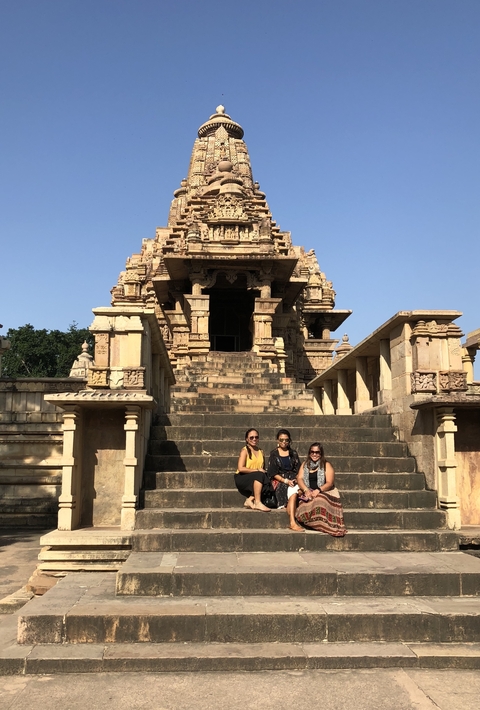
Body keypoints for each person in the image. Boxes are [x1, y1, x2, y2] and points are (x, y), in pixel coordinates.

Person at [295, 442, 347, 537]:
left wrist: (318, 490)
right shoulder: (305, 464)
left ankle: (324, 526)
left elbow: (329, 483)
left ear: (321, 453)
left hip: (324, 491)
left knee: (320, 500)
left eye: (317, 452)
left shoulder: (326, 465)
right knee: (303, 506)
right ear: (309, 453)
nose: (314, 454)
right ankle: (313, 523)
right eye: (312, 452)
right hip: (307, 491)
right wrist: (306, 490)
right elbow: (299, 478)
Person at [266, 429, 302, 531]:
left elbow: (299, 469)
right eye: (281, 440)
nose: (284, 442)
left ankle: (292, 522)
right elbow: (272, 473)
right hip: (280, 481)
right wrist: (285, 481)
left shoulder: (293, 453)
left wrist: (295, 479)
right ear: (277, 440)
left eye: (286, 440)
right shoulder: (274, 454)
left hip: (294, 479)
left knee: (295, 491)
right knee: (292, 492)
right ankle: (293, 522)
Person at [235, 428, 271, 512]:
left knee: (267, 478)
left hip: (257, 476)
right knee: (260, 475)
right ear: (247, 439)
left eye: (256, 437)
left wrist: (260, 471)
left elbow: (262, 468)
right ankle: (257, 502)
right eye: (251, 437)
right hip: (242, 477)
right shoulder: (245, 450)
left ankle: (250, 499)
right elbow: (240, 468)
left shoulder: (261, 451)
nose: (254, 439)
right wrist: (257, 470)